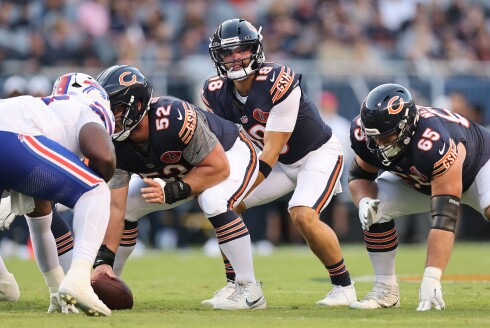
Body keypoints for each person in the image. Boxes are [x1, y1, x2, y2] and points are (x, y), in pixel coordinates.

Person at [202, 18, 356, 307]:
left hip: (316, 153)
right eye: (227, 53)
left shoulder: (278, 81)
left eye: (242, 49)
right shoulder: (214, 92)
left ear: (256, 50)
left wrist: (237, 185)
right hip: (279, 163)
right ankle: (236, 284)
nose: (235, 58)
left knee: (301, 213)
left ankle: (343, 286)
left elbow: (270, 153)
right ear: (218, 57)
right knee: (223, 205)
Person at [92, 65, 265, 310]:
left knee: (214, 200)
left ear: (139, 104)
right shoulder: (113, 142)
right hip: (180, 174)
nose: (111, 117)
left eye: (116, 108)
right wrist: (103, 262)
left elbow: (218, 167)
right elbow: (116, 206)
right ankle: (107, 281)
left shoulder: (172, 117)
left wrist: (174, 190)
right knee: (129, 207)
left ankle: (250, 288)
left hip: (230, 152)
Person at [348, 83, 490, 311]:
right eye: (375, 139)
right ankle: (385, 290)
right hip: (423, 179)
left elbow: (445, 218)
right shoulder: (368, 133)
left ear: (407, 127)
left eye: (387, 137)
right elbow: (359, 175)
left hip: (478, 167)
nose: (379, 144)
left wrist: (432, 277)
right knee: (376, 209)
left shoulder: (433, 141)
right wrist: (364, 201)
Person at [0, 72, 117, 316]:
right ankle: (80, 280)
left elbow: (40, 217)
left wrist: (56, 290)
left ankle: (41, 288)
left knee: (8, 289)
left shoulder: (44, 110)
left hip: (9, 132)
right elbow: (104, 156)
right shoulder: (89, 108)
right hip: (11, 136)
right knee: (96, 190)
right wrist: (88, 192)